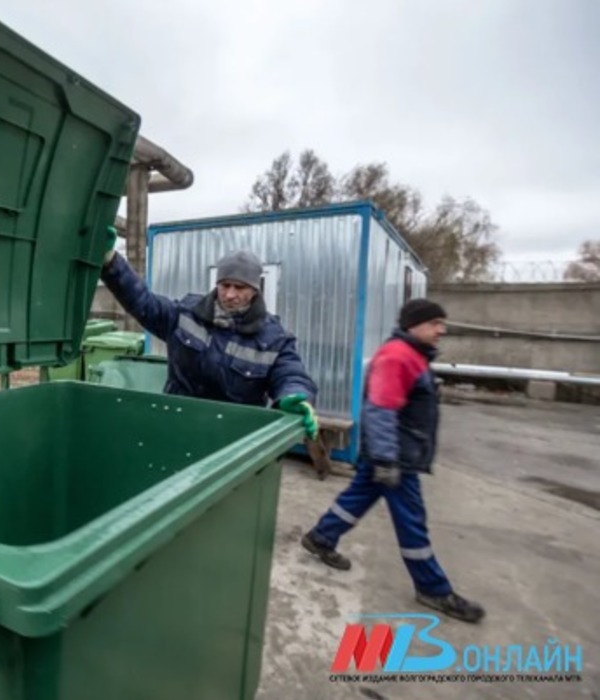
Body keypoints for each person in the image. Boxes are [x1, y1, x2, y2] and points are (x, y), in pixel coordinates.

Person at [300, 298, 485, 623]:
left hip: (391, 455)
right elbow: (381, 410)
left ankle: (321, 537)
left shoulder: (410, 355)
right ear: (415, 324)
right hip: (394, 458)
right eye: (435, 324)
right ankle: (434, 589)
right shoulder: (399, 356)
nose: (442, 330)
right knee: (412, 522)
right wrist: (387, 460)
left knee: (356, 499)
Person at [99, 227, 319, 437]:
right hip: (176, 428)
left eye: (239, 287)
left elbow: (291, 375)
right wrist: (111, 261)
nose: (230, 294)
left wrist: (295, 397)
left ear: (254, 289)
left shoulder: (274, 338)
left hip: (234, 441)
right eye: (225, 285)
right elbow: (143, 303)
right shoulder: (186, 314)